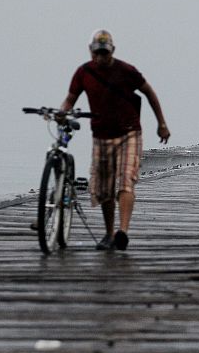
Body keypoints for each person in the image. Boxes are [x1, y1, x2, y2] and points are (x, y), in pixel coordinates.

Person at [61, 30, 170, 251]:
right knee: (104, 189)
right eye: (98, 53)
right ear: (91, 51)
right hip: (101, 136)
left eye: (105, 53)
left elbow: (149, 92)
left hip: (129, 133)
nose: (101, 57)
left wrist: (162, 124)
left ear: (112, 51)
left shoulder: (126, 70)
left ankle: (123, 232)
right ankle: (109, 233)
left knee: (125, 181)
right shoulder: (83, 73)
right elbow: (70, 99)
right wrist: (62, 112)